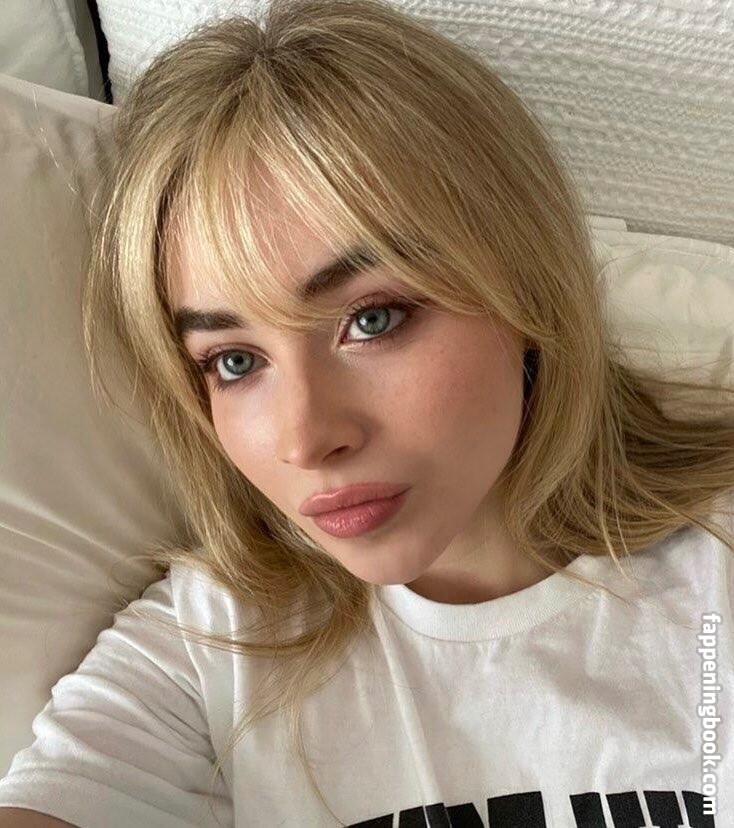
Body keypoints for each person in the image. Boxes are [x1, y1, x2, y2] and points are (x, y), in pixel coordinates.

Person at [1, 0, 733, 825]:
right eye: (235, 362)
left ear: (527, 286)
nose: (307, 438)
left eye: (373, 319)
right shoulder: (207, 651)